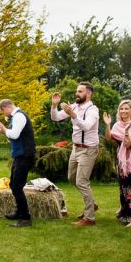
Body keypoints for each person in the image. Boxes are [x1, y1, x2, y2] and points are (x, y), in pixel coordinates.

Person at [50, 82, 100, 226]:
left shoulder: (92, 110)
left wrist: (72, 115)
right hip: (75, 148)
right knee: (71, 178)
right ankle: (92, 203)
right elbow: (56, 117)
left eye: (80, 91)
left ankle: (89, 218)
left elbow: (86, 126)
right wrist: (54, 105)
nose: (76, 94)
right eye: (77, 91)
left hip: (88, 149)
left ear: (88, 94)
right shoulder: (75, 106)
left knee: (82, 182)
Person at [0, 99, 36, 228]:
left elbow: (14, 135)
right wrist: (2, 130)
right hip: (19, 156)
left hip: (25, 156)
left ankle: (26, 218)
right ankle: (19, 212)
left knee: (17, 186)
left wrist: (3, 128)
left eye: (3, 111)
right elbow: (13, 139)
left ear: (7, 107)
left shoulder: (19, 116)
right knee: (13, 184)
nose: (4, 114)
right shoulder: (15, 117)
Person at [103, 100, 131, 227]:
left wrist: (126, 133)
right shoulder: (117, 125)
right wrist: (108, 125)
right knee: (123, 189)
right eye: (121, 109)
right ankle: (125, 215)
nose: (124, 111)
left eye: (126, 109)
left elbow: (128, 144)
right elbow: (109, 137)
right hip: (122, 161)